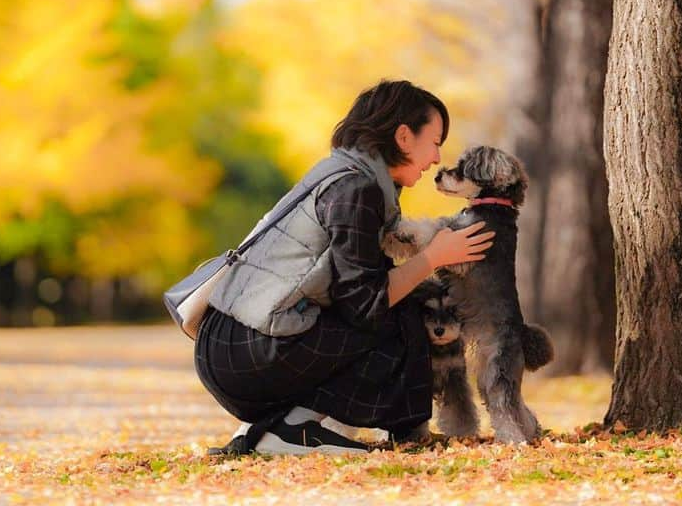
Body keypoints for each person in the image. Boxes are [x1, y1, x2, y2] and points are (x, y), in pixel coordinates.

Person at [195, 80, 495, 455]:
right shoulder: (356, 190)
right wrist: (434, 256)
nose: (436, 157)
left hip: (238, 344)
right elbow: (365, 304)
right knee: (402, 317)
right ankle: (296, 428)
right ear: (404, 136)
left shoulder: (343, 175)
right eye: (434, 142)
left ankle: (277, 426)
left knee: (400, 304)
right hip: (248, 354)